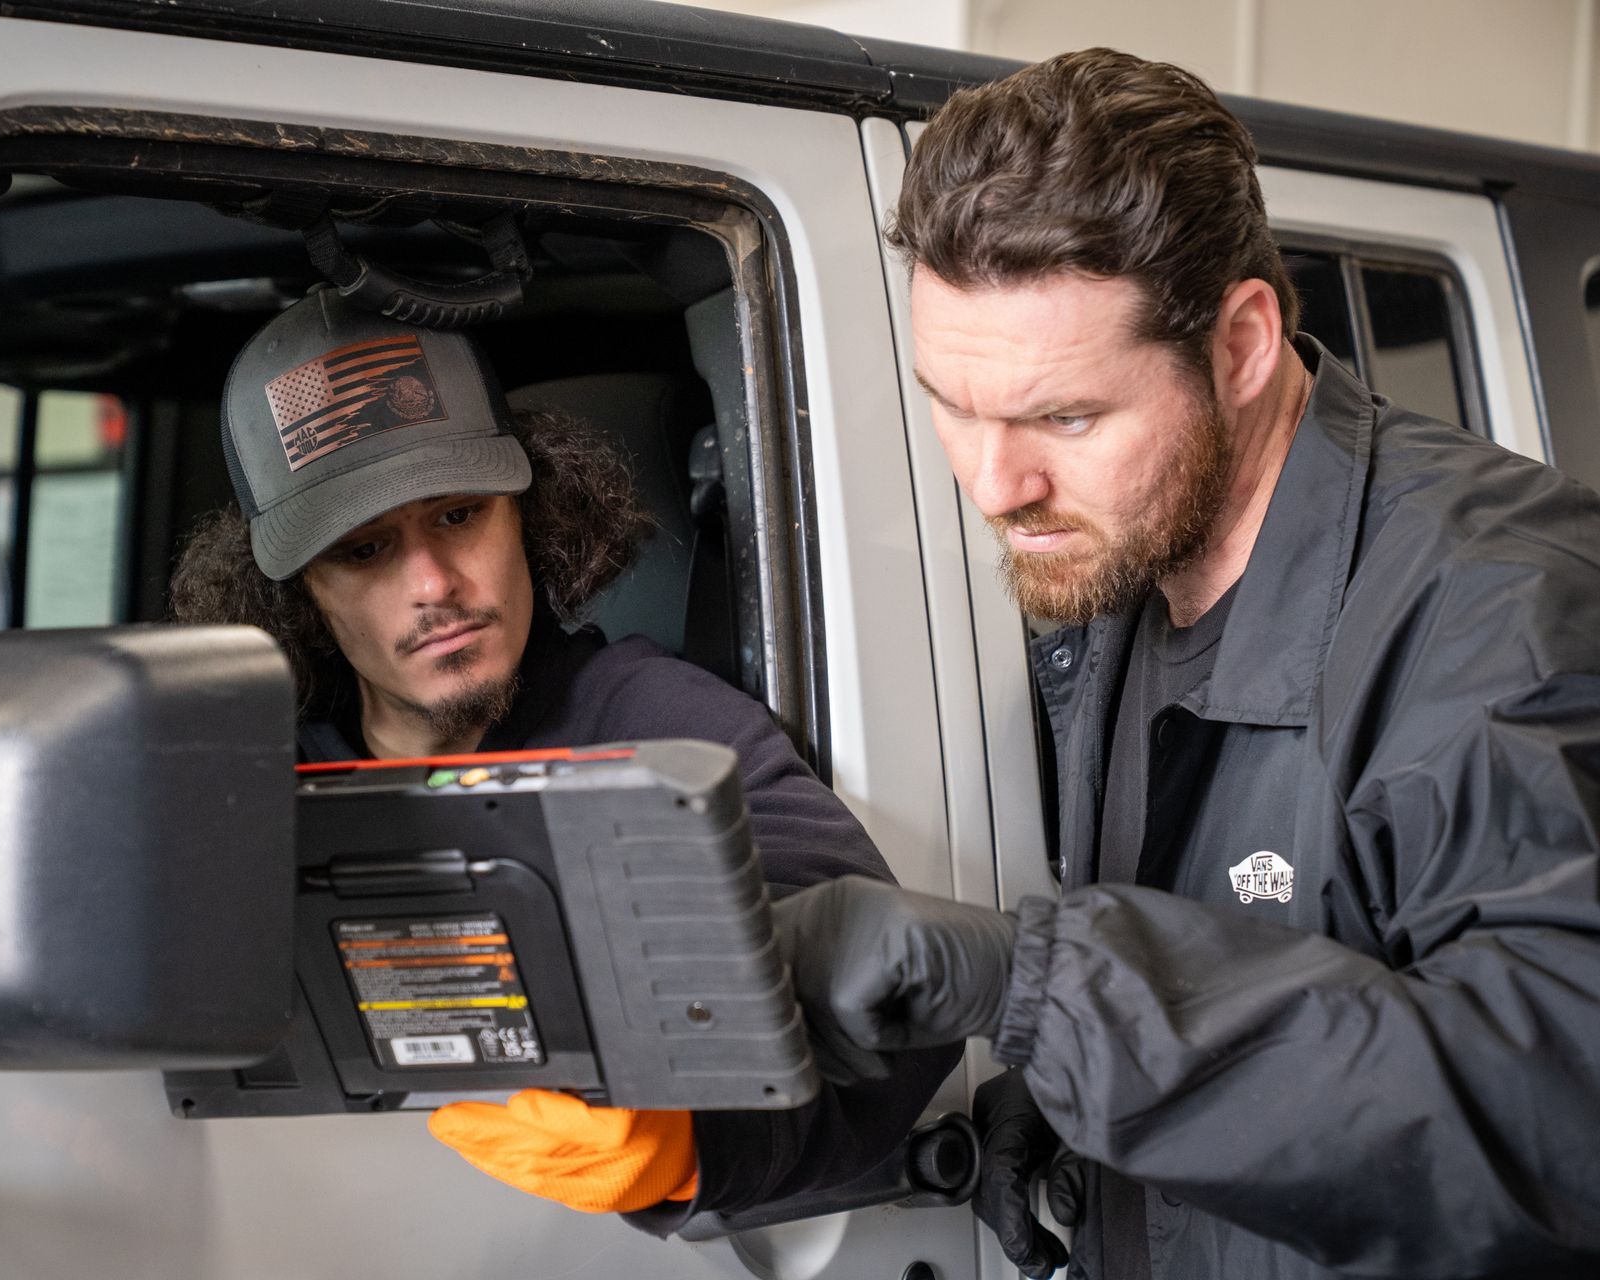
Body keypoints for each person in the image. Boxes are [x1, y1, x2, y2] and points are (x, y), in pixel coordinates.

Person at [770, 48, 1600, 1280]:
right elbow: (1273, 996)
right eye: (953, 402)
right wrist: (1084, 1103)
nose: (996, 484)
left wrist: (1041, 991)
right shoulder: (1123, 572)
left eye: (1065, 416)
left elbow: (1560, 1126)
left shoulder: (1500, 613)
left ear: (1243, 343)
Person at [170, 286, 958, 1229]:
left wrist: (694, 1144)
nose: (432, 584)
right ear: (302, 595)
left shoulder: (662, 731)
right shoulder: (252, 795)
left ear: (530, 513)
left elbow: (888, 1002)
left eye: (459, 516)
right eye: (366, 549)